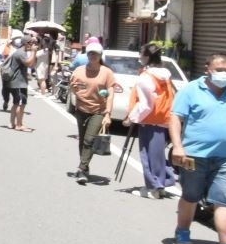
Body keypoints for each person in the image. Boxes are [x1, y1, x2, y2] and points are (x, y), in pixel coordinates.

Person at [168, 53, 226, 244]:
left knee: (224, 200)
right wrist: (177, 146)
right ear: (207, 69)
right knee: (191, 196)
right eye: (220, 70)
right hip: (194, 156)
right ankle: (183, 230)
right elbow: (176, 118)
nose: (224, 74)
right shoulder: (191, 90)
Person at [126, 43, 177, 199]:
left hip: (149, 120)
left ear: (147, 57)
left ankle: (154, 188)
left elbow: (146, 104)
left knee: (148, 155)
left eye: (141, 54)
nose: (139, 57)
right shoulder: (166, 75)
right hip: (163, 119)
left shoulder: (146, 77)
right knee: (158, 155)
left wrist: (131, 118)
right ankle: (161, 184)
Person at [69, 41, 116, 185]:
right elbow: (72, 87)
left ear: (100, 55)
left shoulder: (106, 72)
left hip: (98, 111)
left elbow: (111, 92)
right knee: (83, 141)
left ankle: (82, 169)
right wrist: (77, 89)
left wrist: (107, 113)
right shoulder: (79, 71)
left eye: (95, 54)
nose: (92, 56)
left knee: (89, 140)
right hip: (81, 109)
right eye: (90, 53)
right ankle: (85, 166)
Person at [2, 35, 36, 132]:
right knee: (21, 103)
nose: (33, 45)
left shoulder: (21, 52)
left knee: (16, 103)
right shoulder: (21, 53)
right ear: (26, 43)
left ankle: (12, 123)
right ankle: (19, 124)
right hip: (19, 82)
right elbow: (29, 63)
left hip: (16, 81)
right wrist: (33, 52)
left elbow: (31, 63)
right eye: (31, 43)